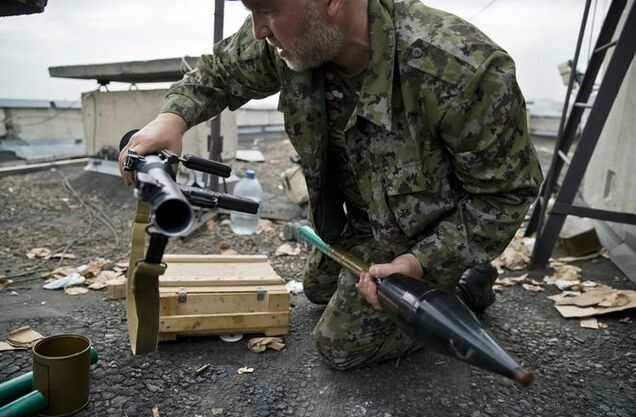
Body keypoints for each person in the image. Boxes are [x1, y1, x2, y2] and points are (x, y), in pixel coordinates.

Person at [119, 0, 543, 370]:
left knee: (338, 345)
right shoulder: (288, 41)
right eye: (252, 11)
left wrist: (422, 263)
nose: (259, 29)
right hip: (359, 222)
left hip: (424, 236)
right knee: (318, 289)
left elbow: (505, 195)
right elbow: (220, 71)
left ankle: (464, 285)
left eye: (268, 10)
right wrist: (170, 120)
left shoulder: (460, 69)